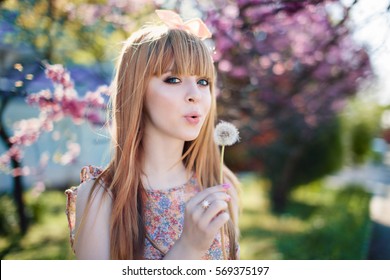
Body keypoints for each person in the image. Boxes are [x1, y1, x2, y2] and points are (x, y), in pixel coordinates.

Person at [65, 10, 240, 260]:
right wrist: (189, 248)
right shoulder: (100, 198)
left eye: (203, 82)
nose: (195, 94)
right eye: (173, 79)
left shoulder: (218, 185)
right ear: (136, 91)